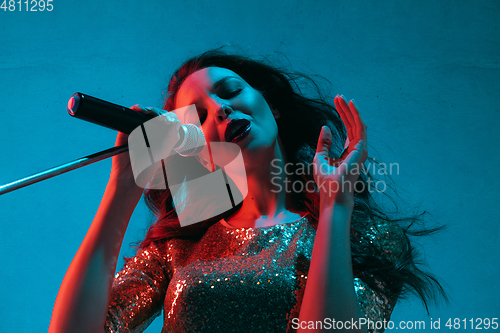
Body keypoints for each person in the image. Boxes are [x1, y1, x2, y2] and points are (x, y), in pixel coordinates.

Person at [49, 49, 446, 333]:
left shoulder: (366, 240)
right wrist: (122, 187)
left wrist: (335, 210)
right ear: (195, 151)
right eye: (200, 116)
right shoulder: (176, 251)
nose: (221, 109)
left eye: (230, 91)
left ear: (269, 105)